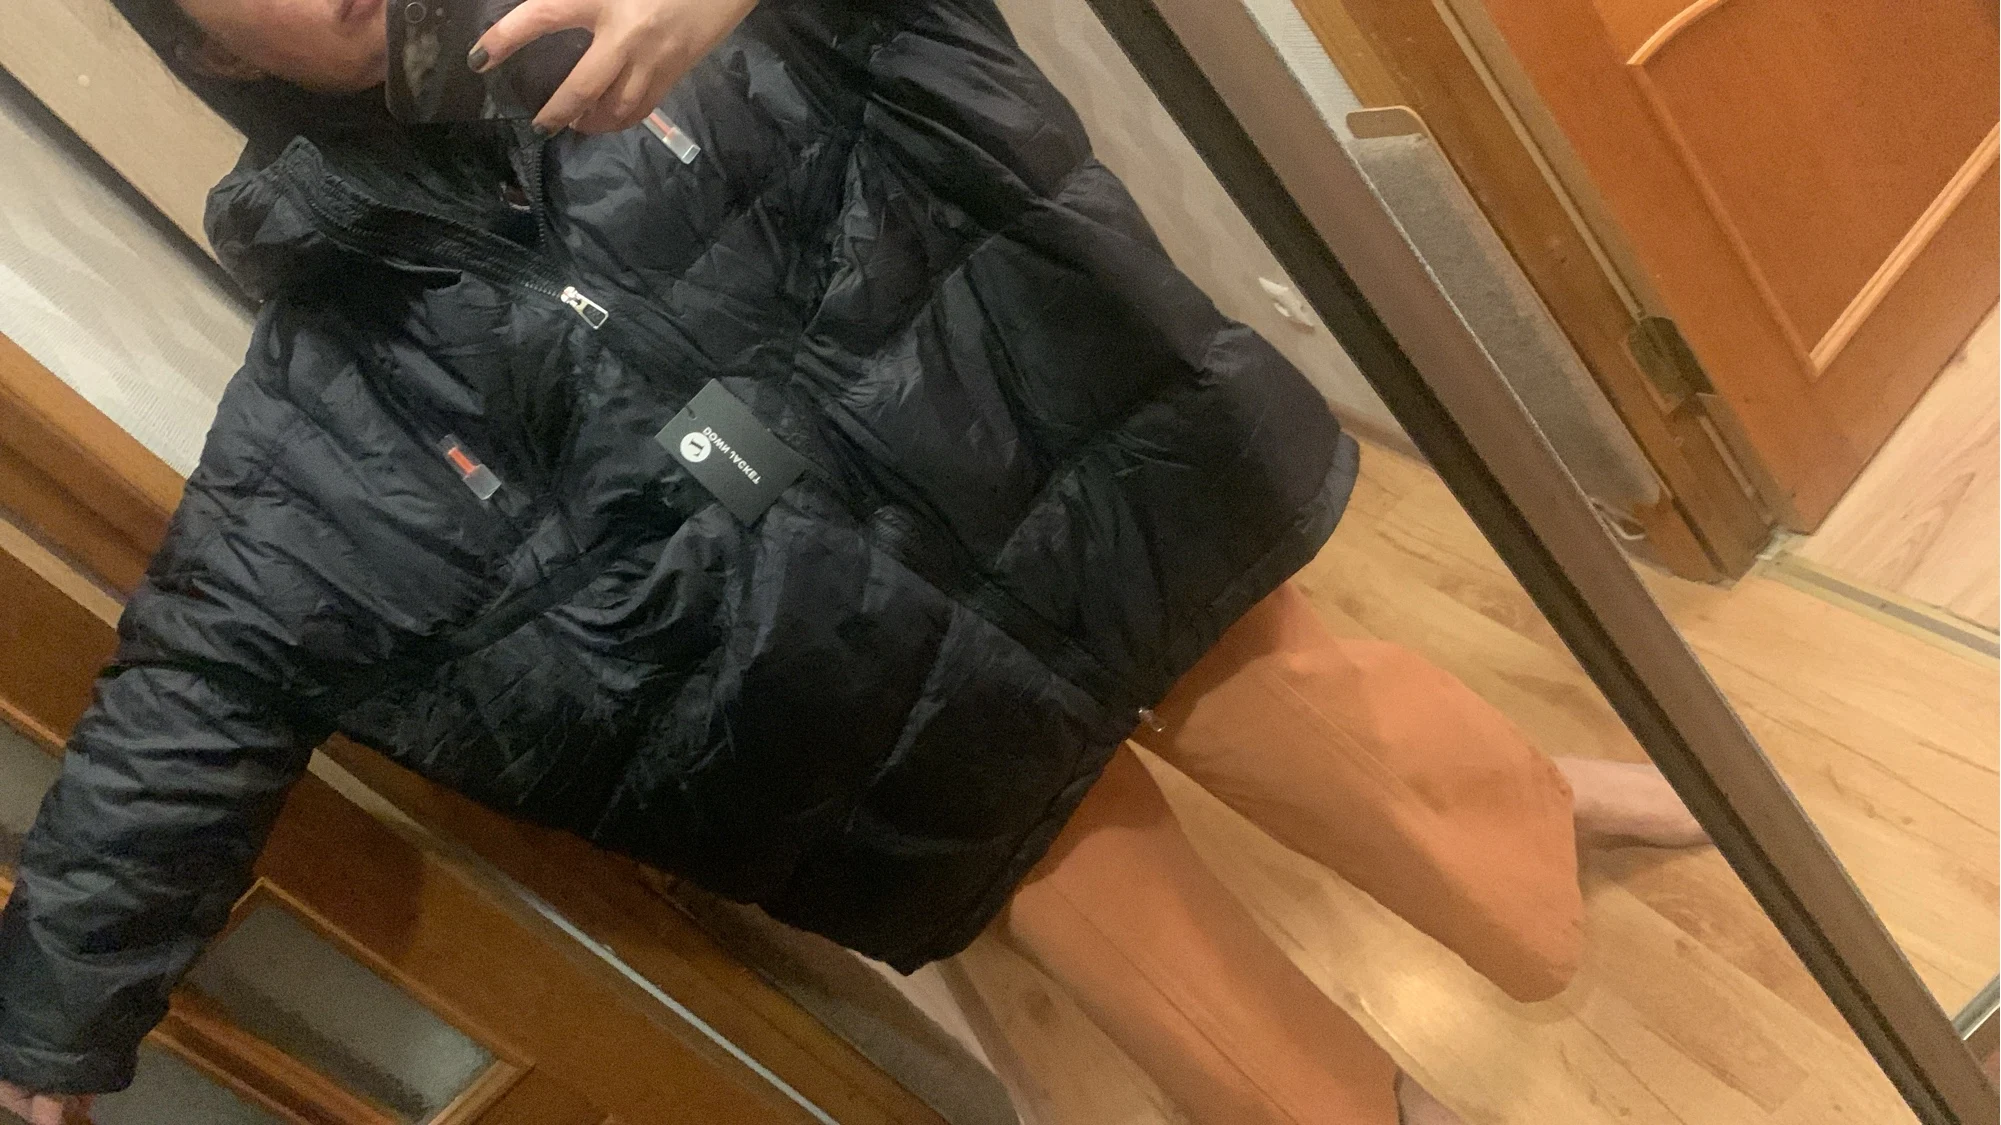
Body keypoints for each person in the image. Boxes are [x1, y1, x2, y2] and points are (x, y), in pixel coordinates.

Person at [0, 0, 1706, 1121]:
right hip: (925, 739)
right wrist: (44, 1031)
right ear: (205, 46)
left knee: (1339, 726)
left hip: (1102, 496)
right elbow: (192, 689)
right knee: (1193, 1001)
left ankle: (1538, 816)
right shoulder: (336, 376)